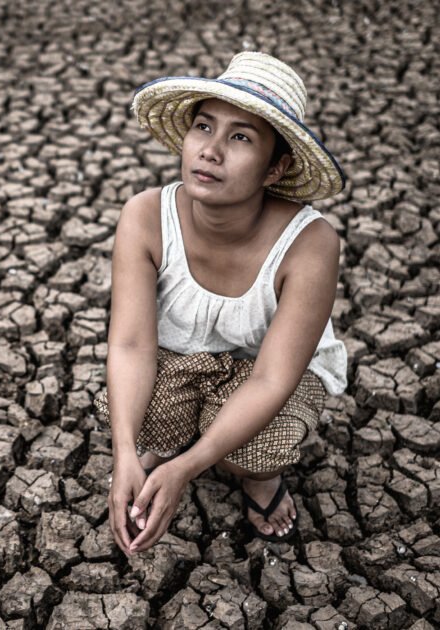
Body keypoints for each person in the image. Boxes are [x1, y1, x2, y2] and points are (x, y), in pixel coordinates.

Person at [98, 51, 348, 556]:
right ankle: (168, 443)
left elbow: (272, 379)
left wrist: (186, 469)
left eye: (240, 137)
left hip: (264, 373)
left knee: (254, 448)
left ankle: (255, 478)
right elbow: (129, 344)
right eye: (203, 127)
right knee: (128, 415)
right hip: (178, 358)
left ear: (275, 167)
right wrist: (123, 453)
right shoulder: (146, 216)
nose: (210, 151)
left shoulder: (310, 243)